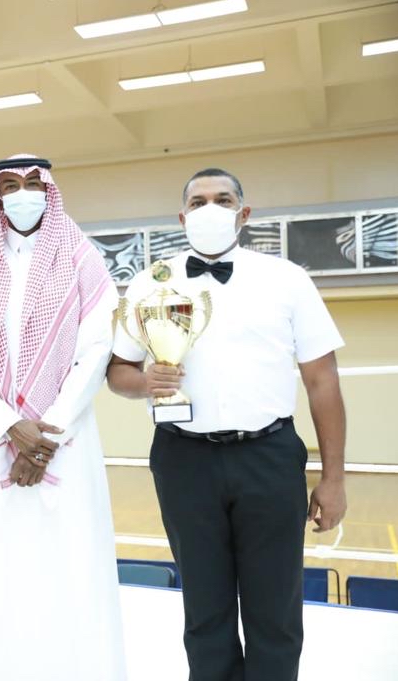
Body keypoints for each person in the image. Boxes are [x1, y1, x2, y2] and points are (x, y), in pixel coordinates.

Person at [107, 167, 348, 681]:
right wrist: (145, 381)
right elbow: (117, 371)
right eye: (198, 202)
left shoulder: (287, 279)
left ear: (244, 213)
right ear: (182, 217)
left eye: (222, 199)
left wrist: (334, 478)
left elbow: (323, 381)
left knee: (275, 610)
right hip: (183, 459)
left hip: (269, 456)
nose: (210, 209)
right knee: (204, 609)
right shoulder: (150, 281)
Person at [0, 155, 126, 681]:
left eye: (34, 183)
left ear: (50, 189)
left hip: (68, 441)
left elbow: (95, 353)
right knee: (2, 575)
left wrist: (44, 438)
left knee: (74, 567)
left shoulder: (83, 259)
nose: (23, 194)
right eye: (10, 185)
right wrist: (9, 426)